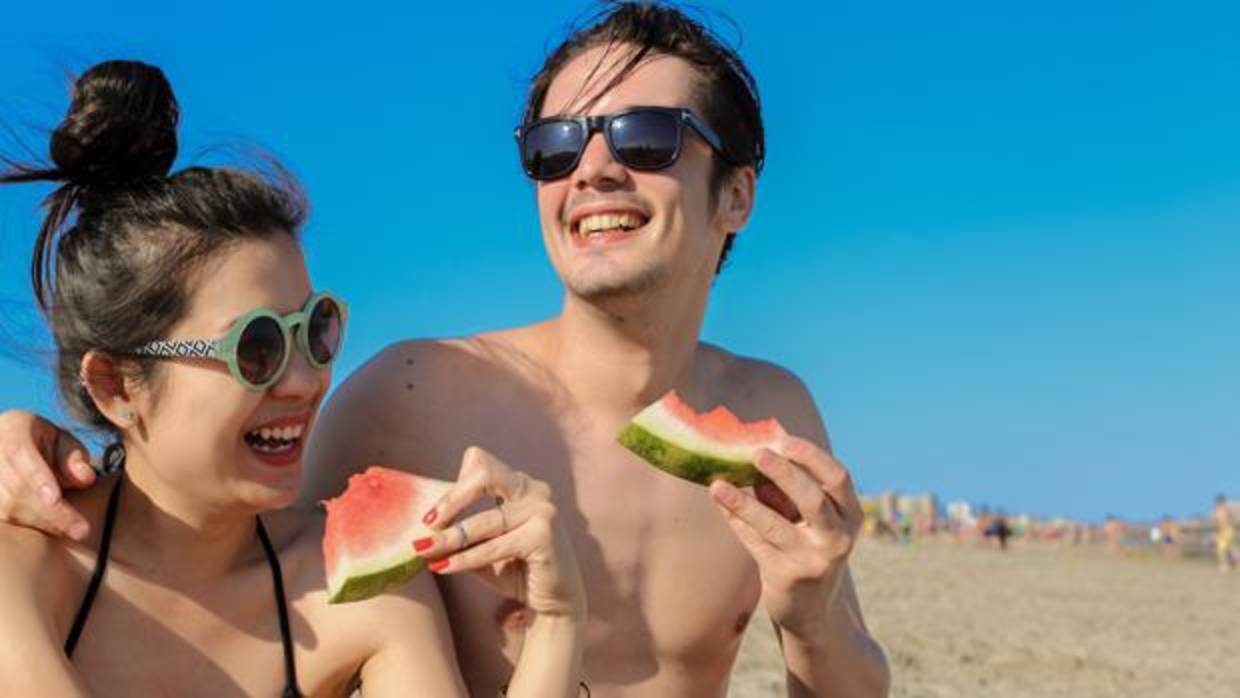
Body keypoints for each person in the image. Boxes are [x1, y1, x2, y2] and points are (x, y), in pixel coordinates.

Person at [0, 5, 889, 696]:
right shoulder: (417, 395)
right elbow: (212, 530)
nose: (594, 171)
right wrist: (26, 444)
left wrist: (812, 621)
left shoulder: (779, 414)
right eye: (556, 146)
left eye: (644, 138)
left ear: (737, 194)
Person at [0, 60, 585, 697]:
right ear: (116, 386)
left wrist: (556, 624)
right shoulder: (24, 569)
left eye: (316, 330)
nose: (306, 382)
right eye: (257, 348)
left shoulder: (365, 592)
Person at [1215, 494, 1235, 573]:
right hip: (1222, 531)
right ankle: (1224, 565)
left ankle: (1234, 564)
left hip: (1227, 531)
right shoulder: (1218, 510)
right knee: (1221, 549)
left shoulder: (1225, 510)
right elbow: (1217, 522)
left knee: (1231, 549)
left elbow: (1229, 519)